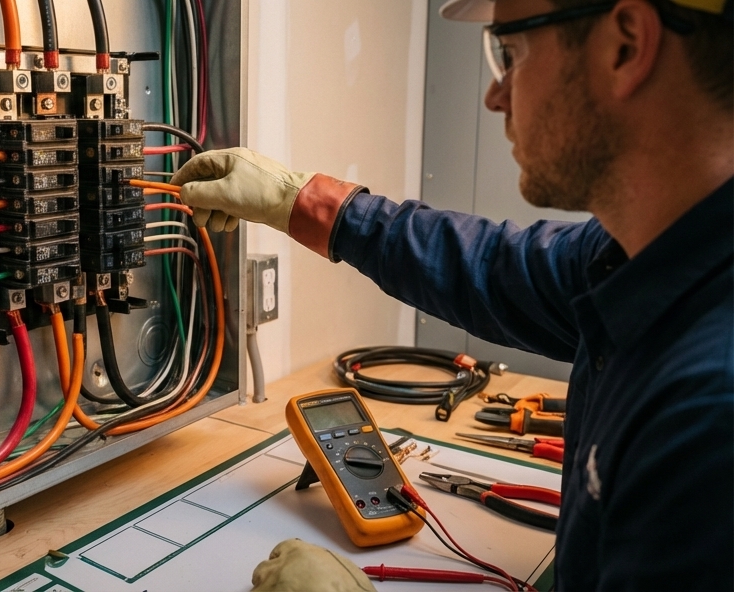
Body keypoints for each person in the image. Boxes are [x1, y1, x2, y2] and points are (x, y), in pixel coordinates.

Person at [187, 0, 731, 589]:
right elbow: (495, 268)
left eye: (510, 53)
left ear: (625, 47)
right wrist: (304, 201)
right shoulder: (643, 252)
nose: (495, 96)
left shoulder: (709, 415)